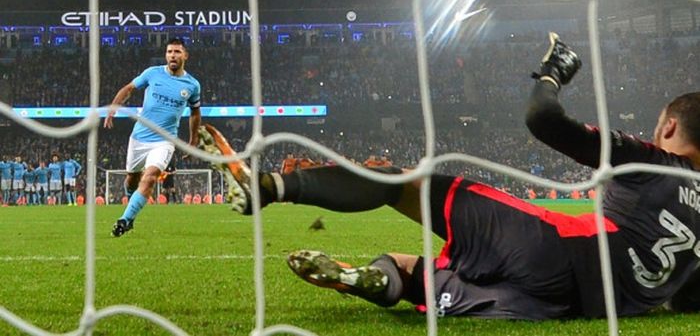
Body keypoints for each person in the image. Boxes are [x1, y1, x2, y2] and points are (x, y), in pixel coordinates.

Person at [211, 32, 700, 319]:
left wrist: (553, 72)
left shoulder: (652, 158)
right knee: (417, 269)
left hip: (556, 247)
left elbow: (542, 120)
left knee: (403, 181)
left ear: (670, 125)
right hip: (578, 306)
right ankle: (375, 280)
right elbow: (685, 303)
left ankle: (272, 186)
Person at [104, 38, 201, 237]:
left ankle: (125, 219)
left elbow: (195, 113)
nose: (173, 55)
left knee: (149, 179)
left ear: (185, 56)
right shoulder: (152, 73)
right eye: (169, 52)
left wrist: (193, 141)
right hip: (139, 137)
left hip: (165, 141)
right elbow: (129, 88)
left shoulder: (192, 85)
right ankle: (131, 211)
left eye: (177, 52)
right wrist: (114, 107)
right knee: (132, 179)